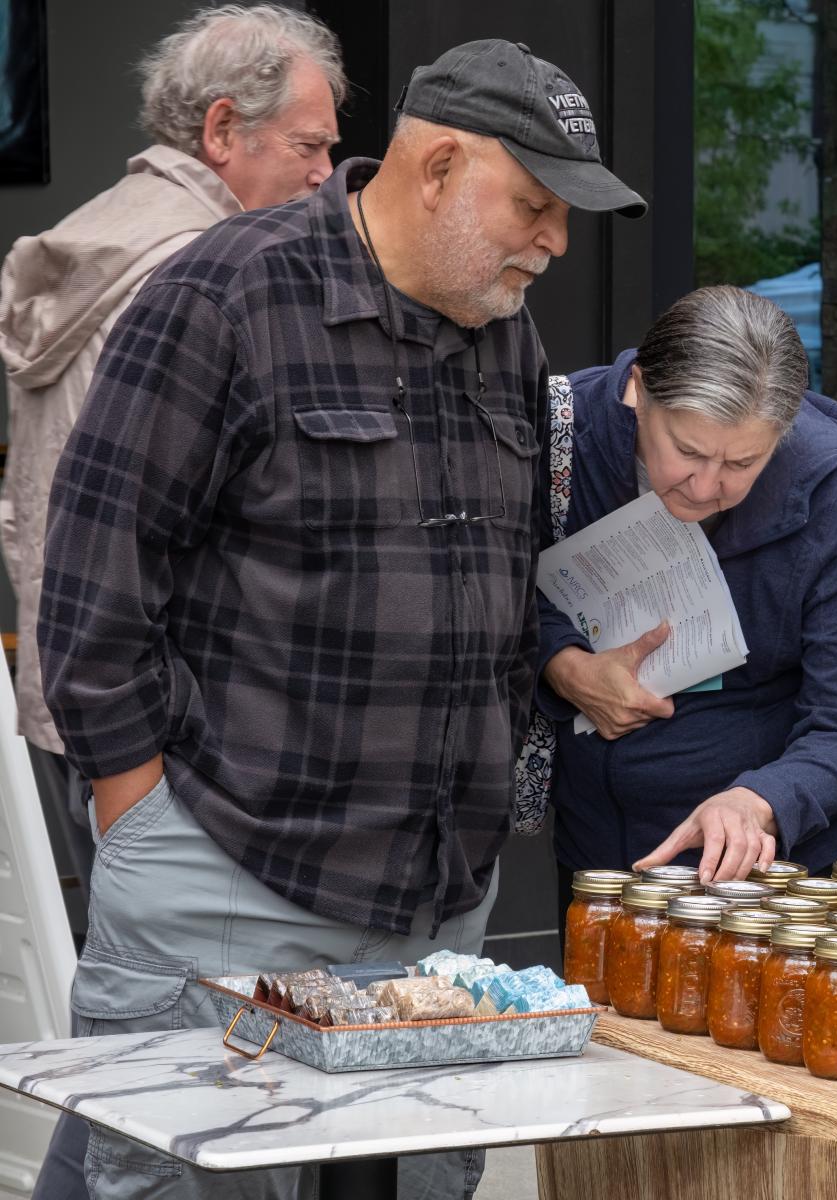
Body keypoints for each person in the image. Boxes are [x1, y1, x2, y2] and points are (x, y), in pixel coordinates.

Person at [37, 36, 644, 1200]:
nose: (556, 243)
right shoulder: (222, 296)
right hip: (226, 875)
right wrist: (140, 816)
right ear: (436, 168)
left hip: (432, 905)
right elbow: (93, 582)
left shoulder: (505, 336)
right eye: (533, 205)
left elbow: (494, 587)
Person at [0, 2, 344, 922]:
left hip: (74, 694)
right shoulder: (202, 273)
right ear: (223, 128)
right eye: (309, 148)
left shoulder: (99, 232)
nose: (324, 180)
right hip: (168, 727)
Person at [535, 285, 837, 906]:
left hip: (796, 842)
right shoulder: (560, 439)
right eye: (686, 451)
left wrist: (762, 800)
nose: (707, 485)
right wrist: (562, 663)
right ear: (639, 390)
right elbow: (479, 593)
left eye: (743, 462)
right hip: (609, 827)